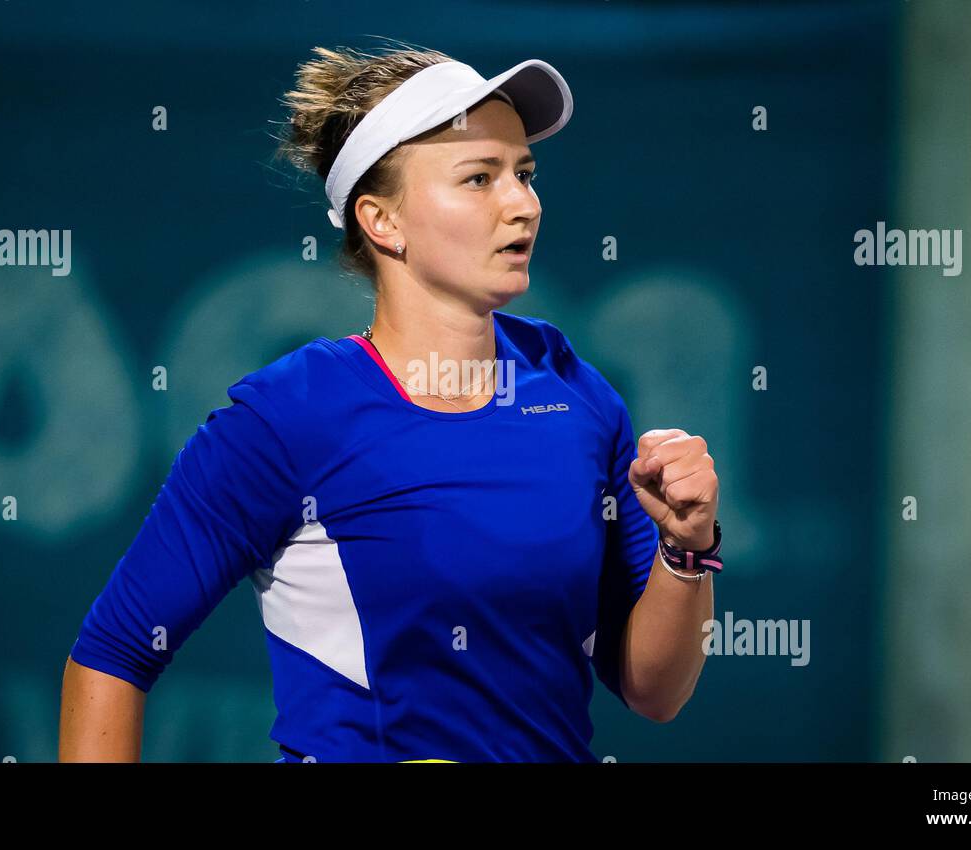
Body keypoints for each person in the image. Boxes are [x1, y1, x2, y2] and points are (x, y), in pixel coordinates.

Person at [59, 41, 722, 763]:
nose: (523, 204)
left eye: (525, 174)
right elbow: (114, 653)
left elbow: (654, 690)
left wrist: (685, 547)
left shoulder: (577, 393)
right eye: (479, 178)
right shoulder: (287, 417)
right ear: (383, 222)